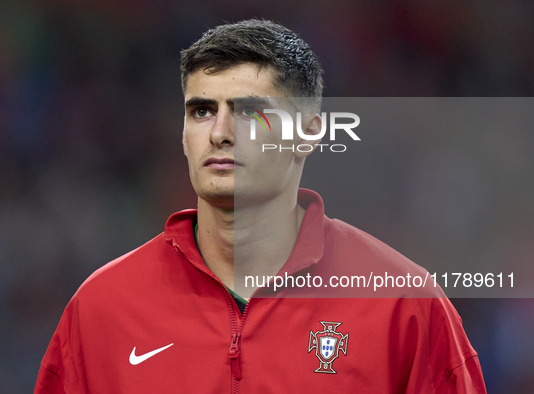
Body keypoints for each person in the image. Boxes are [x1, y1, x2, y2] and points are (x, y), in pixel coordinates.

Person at [34, 19, 486, 393]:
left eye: (249, 111)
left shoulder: (402, 305)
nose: (220, 132)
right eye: (202, 111)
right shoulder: (101, 309)